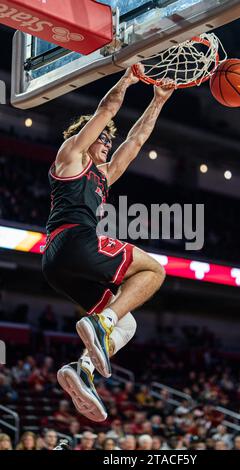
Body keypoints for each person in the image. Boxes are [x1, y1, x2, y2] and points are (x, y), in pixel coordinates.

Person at [42, 67, 174, 423]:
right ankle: (101, 323)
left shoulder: (104, 175)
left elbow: (136, 141)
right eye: (103, 139)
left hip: (59, 266)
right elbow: (105, 112)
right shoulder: (71, 154)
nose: (107, 142)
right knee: (154, 270)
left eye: (107, 141)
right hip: (73, 240)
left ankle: (81, 369)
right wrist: (126, 81)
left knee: (127, 325)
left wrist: (158, 101)